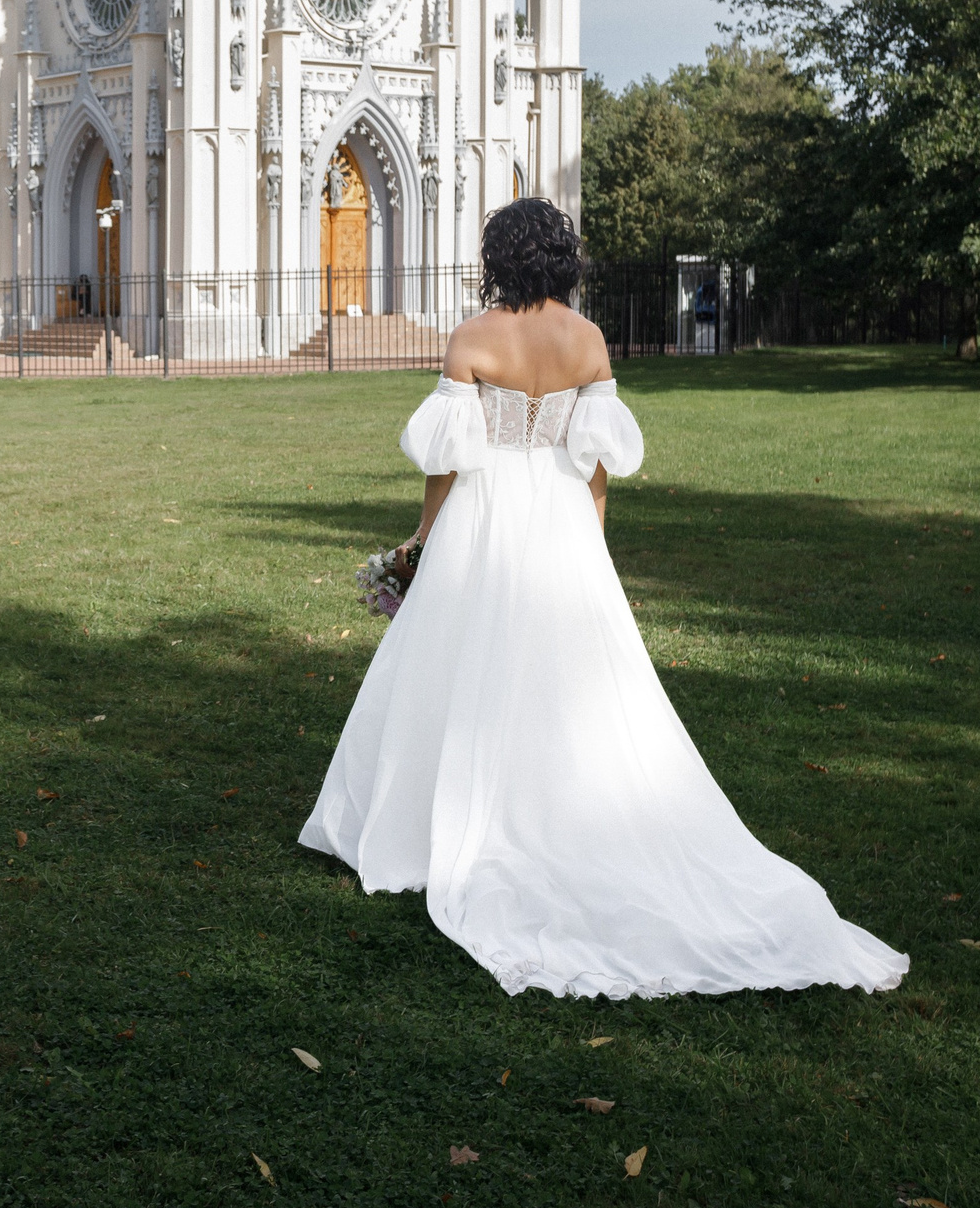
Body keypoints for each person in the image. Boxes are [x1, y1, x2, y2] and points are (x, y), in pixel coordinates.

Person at [299, 199, 908, 999]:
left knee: (457, 665)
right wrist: (595, 545)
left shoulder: (475, 338)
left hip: (486, 515)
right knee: (566, 674)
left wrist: (420, 539)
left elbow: (448, 461)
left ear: (499, 258)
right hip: (558, 517)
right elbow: (595, 465)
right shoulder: (588, 341)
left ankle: (435, 818)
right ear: (561, 258)